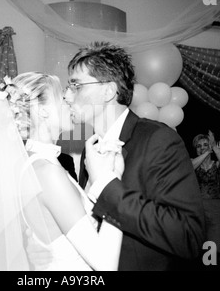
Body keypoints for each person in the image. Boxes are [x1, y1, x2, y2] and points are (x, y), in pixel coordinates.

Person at [62, 41, 205, 271]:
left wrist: (107, 186)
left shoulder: (158, 140)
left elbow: (188, 236)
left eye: (76, 86)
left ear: (109, 91)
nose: (67, 95)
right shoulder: (91, 148)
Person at [0, 72, 123, 271]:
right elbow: (105, 264)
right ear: (42, 111)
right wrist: (112, 180)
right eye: (61, 96)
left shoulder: (33, 166)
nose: (69, 99)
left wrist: (96, 178)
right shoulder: (48, 173)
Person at [191, 130, 220, 271]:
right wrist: (208, 151)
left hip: (214, 207)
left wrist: (214, 148)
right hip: (196, 207)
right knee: (199, 243)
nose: (202, 147)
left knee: (215, 243)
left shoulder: (216, 164)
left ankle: (216, 268)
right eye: (199, 146)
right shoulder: (192, 163)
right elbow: (189, 168)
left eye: (205, 145)